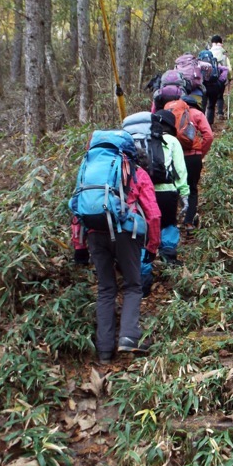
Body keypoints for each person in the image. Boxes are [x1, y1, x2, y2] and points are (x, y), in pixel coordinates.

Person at [71, 133, 161, 364]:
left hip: (93, 233)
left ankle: (103, 351)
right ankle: (129, 337)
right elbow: (153, 213)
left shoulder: (88, 170)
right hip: (125, 233)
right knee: (132, 285)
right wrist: (152, 246)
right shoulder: (135, 172)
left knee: (106, 288)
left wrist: (79, 247)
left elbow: (77, 207)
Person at [122, 110, 190, 268]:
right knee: (168, 224)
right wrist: (184, 194)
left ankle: (144, 271)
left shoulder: (132, 141)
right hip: (166, 190)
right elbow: (180, 170)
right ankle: (169, 261)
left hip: (139, 192)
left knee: (143, 231)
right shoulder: (171, 141)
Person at [165, 95, 214, 241]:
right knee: (192, 188)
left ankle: (173, 221)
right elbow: (209, 136)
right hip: (193, 156)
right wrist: (201, 152)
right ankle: (189, 223)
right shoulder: (198, 114)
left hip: (174, 156)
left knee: (176, 187)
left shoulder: (171, 114)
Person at [209, 35, 232, 120]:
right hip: (221, 78)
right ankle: (220, 113)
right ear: (221, 43)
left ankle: (208, 119)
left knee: (210, 100)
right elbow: (229, 69)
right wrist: (229, 78)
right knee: (220, 96)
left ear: (212, 43)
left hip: (210, 79)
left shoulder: (208, 53)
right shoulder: (223, 54)